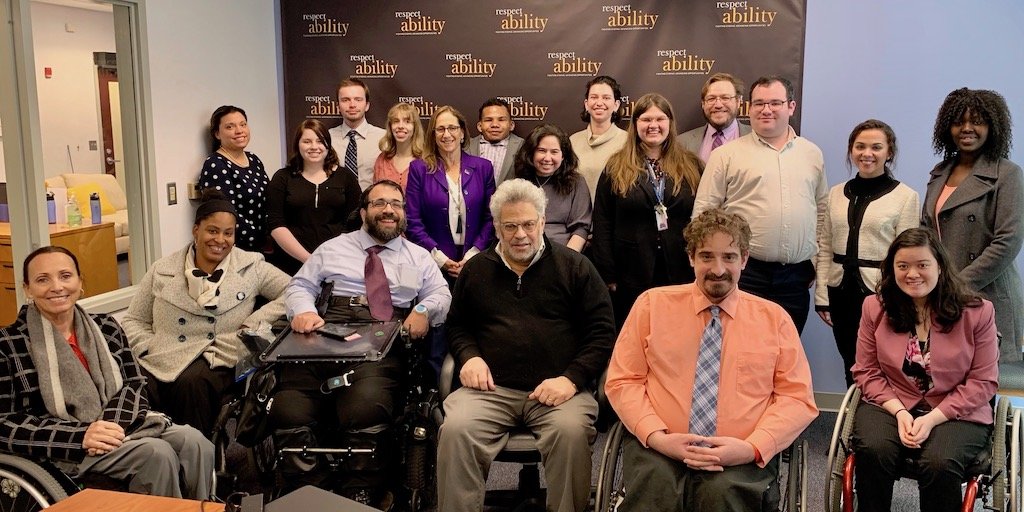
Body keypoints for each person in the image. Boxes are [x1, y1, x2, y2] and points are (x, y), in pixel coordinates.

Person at [605, 208, 817, 512]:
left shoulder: (774, 320)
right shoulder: (651, 306)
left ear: (744, 259)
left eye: (729, 257)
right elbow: (624, 380)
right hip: (661, 448)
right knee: (656, 492)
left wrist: (752, 447)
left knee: (723, 495)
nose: (718, 269)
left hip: (740, 455)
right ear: (691, 257)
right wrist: (658, 437)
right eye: (706, 256)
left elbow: (796, 398)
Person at [269, 180, 451, 506]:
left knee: (364, 406)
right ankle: (312, 492)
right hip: (324, 334)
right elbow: (300, 286)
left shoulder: (419, 257)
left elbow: (441, 294)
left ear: (404, 214)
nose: (388, 210)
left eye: (395, 204)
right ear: (364, 211)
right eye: (379, 203)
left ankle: (361, 492)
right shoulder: (333, 248)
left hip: (382, 339)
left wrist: (423, 309)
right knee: (289, 409)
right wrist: (304, 311)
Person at [438, 179, 615, 512]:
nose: (520, 234)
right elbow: (458, 325)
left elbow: (602, 332)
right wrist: (469, 357)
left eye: (528, 224)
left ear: (543, 222)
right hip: (491, 391)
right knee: (457, 429)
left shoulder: (575, 267)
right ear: (497, 228)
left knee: (570, 432)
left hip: (559, 391)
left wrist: (571, 378)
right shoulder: (476, 270)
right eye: (510, 226)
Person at [0, 246, 214, 499]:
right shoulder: (8, 345)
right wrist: (81, 435)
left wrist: (111, 425)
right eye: (42, 279)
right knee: (156, 454)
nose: (56, 286)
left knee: (195, 442)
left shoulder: (105, 326)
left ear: (81, 283)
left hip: (120, 425)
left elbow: (134, 383)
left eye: (65, 276)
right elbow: (4, 422)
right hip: (63, 445)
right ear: (27, 289)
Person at [851, 227, 998, 512]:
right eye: (902, 266)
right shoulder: (874, 308)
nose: (912, 274)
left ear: (940, 266)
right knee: (873, 450)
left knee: (939, 463)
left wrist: (932, 419)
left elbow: (983, 382)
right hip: (891, 401)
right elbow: (866, 371)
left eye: (922, 265)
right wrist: (900, 412)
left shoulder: (977, 312)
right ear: (892, 269)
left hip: (956, 408)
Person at [122, 191, 289, 435]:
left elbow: (295, 290)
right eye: (212, 231)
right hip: (162, 352)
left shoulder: (250, 267)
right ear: (196, 230)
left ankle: (196, 462)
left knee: (191, 384)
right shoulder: (162, 269)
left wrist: (254, 322)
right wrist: (148, 345)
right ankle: (150, 460)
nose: (220, 240)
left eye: (228, 233)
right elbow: (134, 318)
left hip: (220, 354)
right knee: (134, 385)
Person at [693, 75, 827, 334]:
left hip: (796, 277)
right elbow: (703, 214)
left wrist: (814, 260)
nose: (766, 110)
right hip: (746, 273)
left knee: (785, 352)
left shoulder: (812, 154)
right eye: (759, 103)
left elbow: (820, 210)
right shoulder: (726, 155)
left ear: (791, 107)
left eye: (775, 103)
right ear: (749, 108)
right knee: (742, 351)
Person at [922, 87, 1024, 362]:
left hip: (985, 294)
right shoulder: (939, 172)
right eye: (959, 122)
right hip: (942, 296)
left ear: (992, 126)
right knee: (943, 374)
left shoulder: (1007, 174)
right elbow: (926, 236)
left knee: (984, 384)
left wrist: (955, 284)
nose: (967, 128)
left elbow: (1007, 241)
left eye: (977, 121)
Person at [816, 120, 920, 386]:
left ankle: (880, 417)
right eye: (860, 146)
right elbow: (825, 245)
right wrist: (821, 297)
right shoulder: (836, 193)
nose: (867, 153)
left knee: (881, 362)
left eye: (876, 147)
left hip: (881, 293)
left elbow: (908, 255)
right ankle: (852, 417)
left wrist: (901, 297)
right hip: (840, 291)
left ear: (889, 153)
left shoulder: (905, 196)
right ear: (851, 150)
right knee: (849, 358)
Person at [591, 93, 703, 328]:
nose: (653, 125)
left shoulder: (691, 165)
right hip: (631, 271)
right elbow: (602, 222)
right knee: (636, 333)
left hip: (679, 267)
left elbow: (701, 218)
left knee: (676, 332)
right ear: (635, 125)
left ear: (670, 123)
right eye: (645, 119)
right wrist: (608, 274)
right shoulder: (616, 167)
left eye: (660, 119)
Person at [406, 106, 496, 285]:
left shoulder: (483, 168)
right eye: (440, 129)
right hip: (433, 263)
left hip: (477, 261)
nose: (446, 134)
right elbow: (412, 221)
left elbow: (491, 217)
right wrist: (440, 259)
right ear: (433, 135)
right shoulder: (419, 169)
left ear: (462, 132)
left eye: (452, 128)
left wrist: (473, 255)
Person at [266, 119, 361, 275]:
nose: (314, 147)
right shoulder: (282, 178)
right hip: (290, 263)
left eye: (320, 141)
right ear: (298, 144)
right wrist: (310, 260)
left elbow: (354, 222)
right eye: (307, 141)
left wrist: (332, 256)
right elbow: (276, 223)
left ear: (328, 145)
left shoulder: (345, 177)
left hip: (336, 262)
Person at [198, 105, 269, 252]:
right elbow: (224, 214)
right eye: (230, 127)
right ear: (217, 134)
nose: (239, 131)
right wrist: (259, 239)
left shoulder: (254, 159)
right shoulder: (215, 164)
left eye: (243, 124)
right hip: (237, 249)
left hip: (264, 245)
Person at [512, 124, 591, 251]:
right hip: (524, 253)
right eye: (542, 150)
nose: (547, 158)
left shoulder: (576, 182)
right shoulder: (518, 182)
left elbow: (581, 229)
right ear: (531, 152)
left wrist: (566, 261)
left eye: (554, 152)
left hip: (563, 254)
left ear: (563, 156)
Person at [570, 76, 629, 201]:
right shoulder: (573, 141)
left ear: (616, 105)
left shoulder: (628, 142)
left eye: (606, 98)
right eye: (594, 97)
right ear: (586, 104)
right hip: (577, 217)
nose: (599, 102)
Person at [677, 73, 752, 163]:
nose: (718, 105)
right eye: (711, 99)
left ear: (738, 101)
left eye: (725, 98)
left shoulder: (757, 138)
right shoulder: (681, 143)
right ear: (703, 104)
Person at [327, 77, 387, 191]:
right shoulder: (327, 139)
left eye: (358, 99)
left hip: (373, 205)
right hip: (337, 206)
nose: (352, 105)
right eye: (345, 100)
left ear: (367, 105)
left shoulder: (384, 138)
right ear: (338, 106)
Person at [466, 98, 524, 185]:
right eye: (489, 120)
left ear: (511, 125)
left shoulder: (523, 146)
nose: (495, 125)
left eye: (501, 120)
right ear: (479, 126)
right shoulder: (466, 147)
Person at [373, 102, 426, 191]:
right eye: (396, 121)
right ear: (390, 127)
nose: (400, 126)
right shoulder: (382, 160)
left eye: (407, 121)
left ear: (415, 127)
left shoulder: (426, 161)